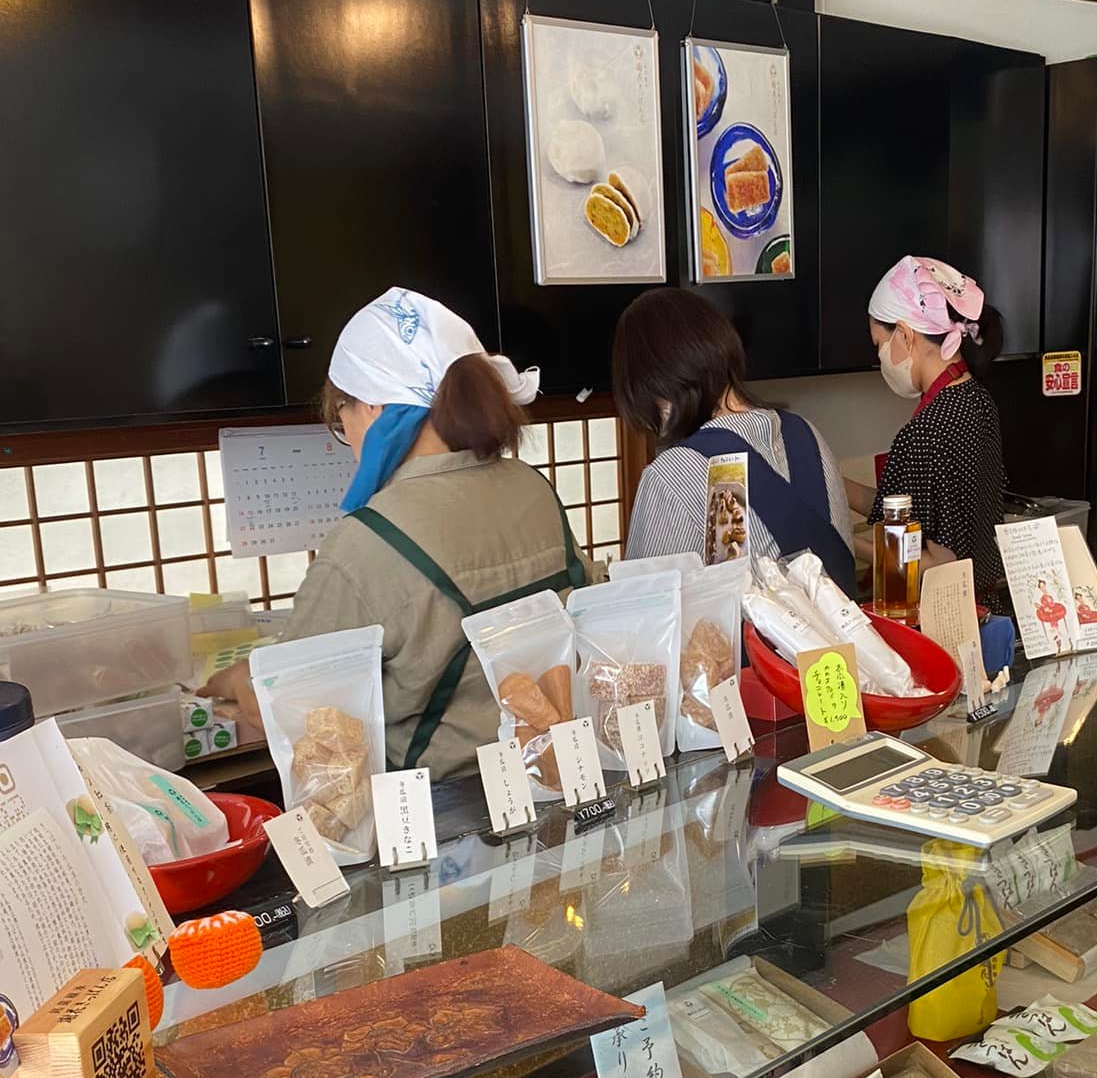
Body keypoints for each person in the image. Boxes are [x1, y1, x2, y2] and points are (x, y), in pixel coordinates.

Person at [205, 289, 584, 780]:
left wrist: (236, 680)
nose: (345, 432)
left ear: (373, 407)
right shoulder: (533, 489)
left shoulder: (369, 541)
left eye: (342, 413)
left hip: (440, 809)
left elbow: (291, 703)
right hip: (558, 775)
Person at [611, 288, 855, 589]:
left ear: (651, 385)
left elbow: (645, 604)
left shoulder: (673, 472)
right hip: (844, 619)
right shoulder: (808, 434)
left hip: (747, 624)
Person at [858, 255, 1006, 582]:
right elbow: (903, 504)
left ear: (904, 334)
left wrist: (843, 540)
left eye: (879, 345)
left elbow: (938, 564)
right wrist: (830, 486)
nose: (880, 357)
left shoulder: (927, 430)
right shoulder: (976, 400)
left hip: (948, 603)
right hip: (985, 594)